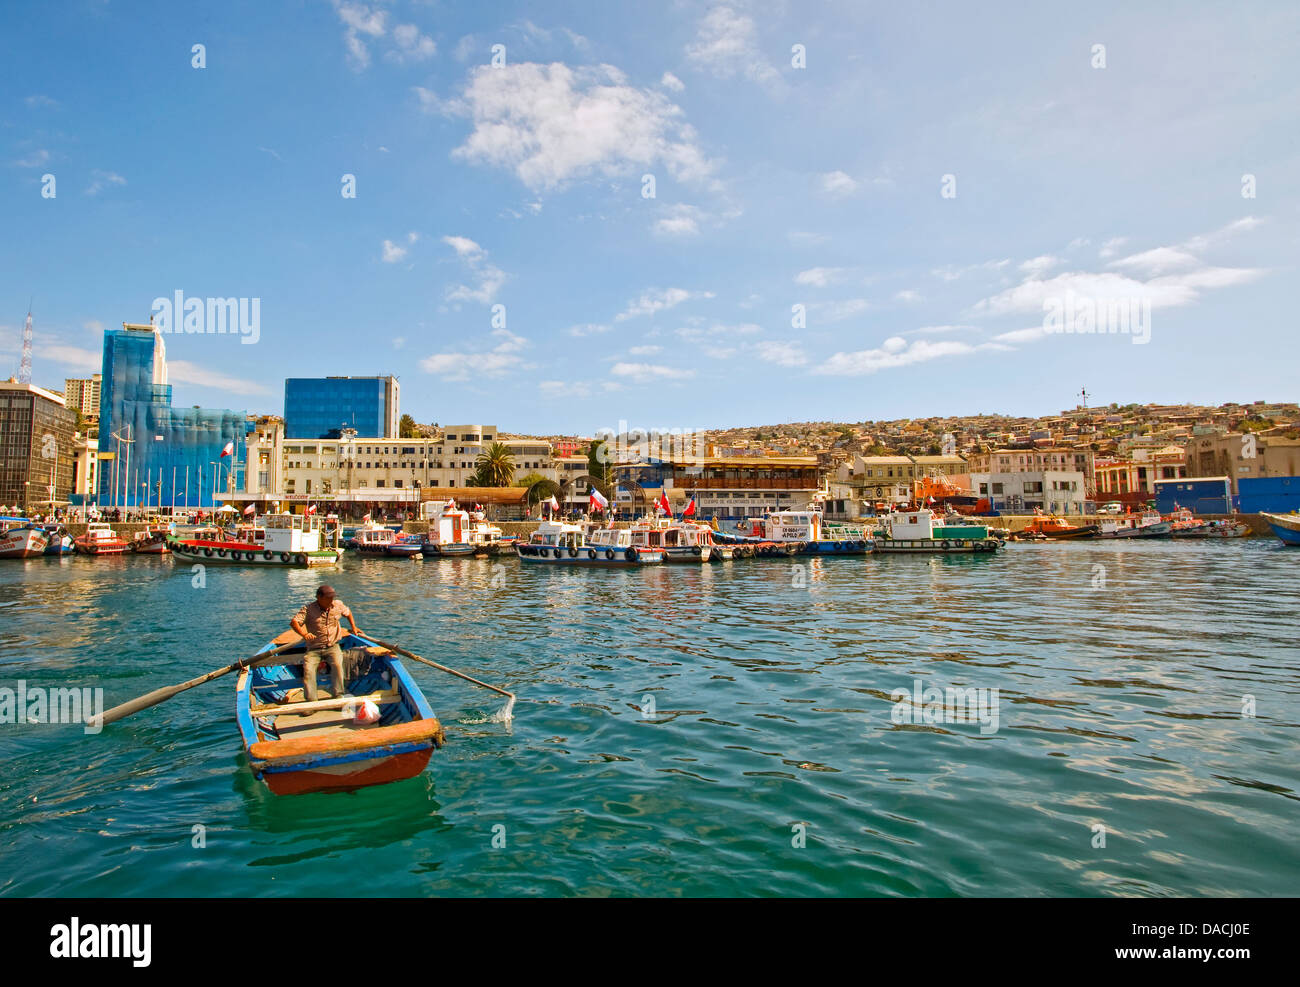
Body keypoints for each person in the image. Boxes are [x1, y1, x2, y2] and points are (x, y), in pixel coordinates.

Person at [289, 585, 363, 701]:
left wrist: (353, 627)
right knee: (308, 670)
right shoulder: (308, 609)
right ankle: (311, 701)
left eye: (332, 598)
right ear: (319, 597)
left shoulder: (337, 605)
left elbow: (348, 613)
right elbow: (294, 622)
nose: (331, 601)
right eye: (328, 598)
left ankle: (338, 695)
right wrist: (304, 634)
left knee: (338, 666)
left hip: (332, 646)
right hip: (314, 648)